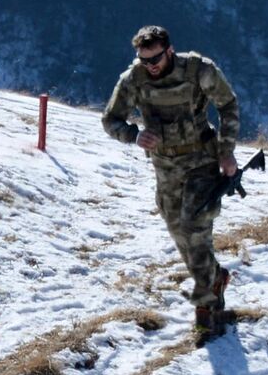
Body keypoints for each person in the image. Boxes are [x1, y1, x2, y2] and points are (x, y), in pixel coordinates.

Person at [100, 24, 242, 340]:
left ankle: (206, 306)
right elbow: (110, 120)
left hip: (201, 162)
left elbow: (228, 104)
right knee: (178, 230)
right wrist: (134, 135)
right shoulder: (133, 80)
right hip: (165, 167)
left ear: (169, 50)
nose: (151, 66)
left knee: (194, 226)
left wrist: (226, 152)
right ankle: (214, 278)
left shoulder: (198, 70)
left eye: (156, 59)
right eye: (144, 60)